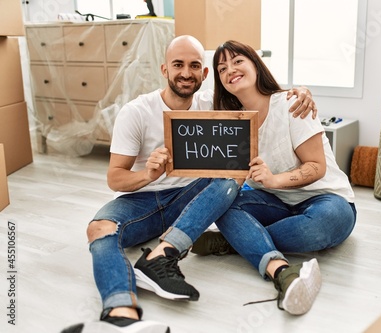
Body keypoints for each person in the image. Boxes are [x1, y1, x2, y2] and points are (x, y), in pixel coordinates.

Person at [61, 35, 317, 333]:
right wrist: (148, 175)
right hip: (142, 203)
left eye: (194, 65)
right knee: (98, 228)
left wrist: (300, 91)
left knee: (233, 172)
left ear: (204, 74)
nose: (186, 72)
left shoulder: (213, 102)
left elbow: (261, 96)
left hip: (194, 200)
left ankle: (161, 256)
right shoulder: (136, 112)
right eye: (178, 65)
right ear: (164, 69)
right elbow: (114, 177)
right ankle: (121, 315)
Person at [192, 40, 356, 316]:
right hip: (273, 202)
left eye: (237, 61)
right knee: (226, 206)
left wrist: (274, 180)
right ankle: (269, 259)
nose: (230, 70)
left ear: (255, 64)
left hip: (327, 200)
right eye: (221, 69)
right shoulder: (229, 120)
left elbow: (317, 166)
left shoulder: (292, 104)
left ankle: (234, 243)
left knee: (323, 224)